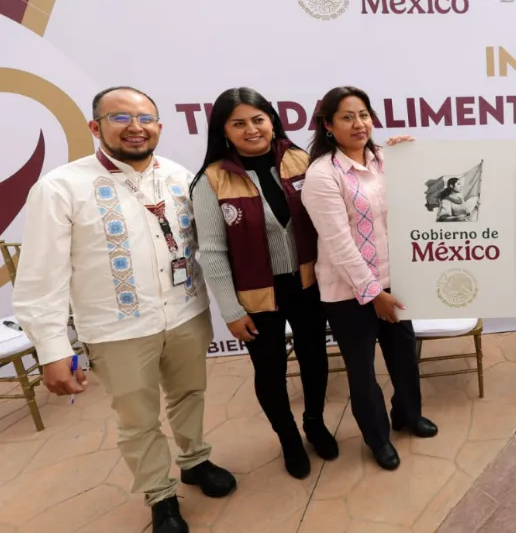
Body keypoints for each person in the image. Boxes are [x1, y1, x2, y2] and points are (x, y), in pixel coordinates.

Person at [12, 87, 236, 533]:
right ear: (96, 127)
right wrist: (54, 348)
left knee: (190, 395)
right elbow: (41, 278)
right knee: (138, 419)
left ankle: (195, 460)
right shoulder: (60, 188)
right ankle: (161, 495)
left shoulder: (179, 176)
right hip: (118, 329)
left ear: (158, 126)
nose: (135, 127)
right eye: (120, 118)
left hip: (186, 313)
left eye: (145, 118)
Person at [189, 87, 338, 480]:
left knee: (314, 358)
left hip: (309, 285)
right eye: (238, 123)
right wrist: (231, 310)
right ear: (224, 131)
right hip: (255, 294)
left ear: (272, 120)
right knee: (269, 371)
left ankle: (314, 422)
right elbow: (213, 252)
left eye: (258, 119)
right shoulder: (211, 180)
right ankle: (288, 437)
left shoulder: (302, 160)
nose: (251, 129)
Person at [301, 86, 437, 471]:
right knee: (362, 372)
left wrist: (411, 156)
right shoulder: (322, 175)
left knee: (404, 359)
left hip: (398, 279)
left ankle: (408, 416)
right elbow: (339, 244)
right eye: (347, 117)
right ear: (328, 126)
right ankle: (377, 439)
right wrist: (373, 292)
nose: (358, 124)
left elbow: (419, 200)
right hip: (348, 293)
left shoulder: (384, 160)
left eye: (363, 114)